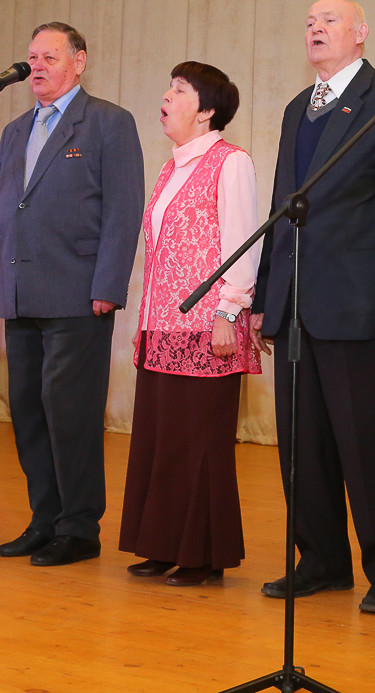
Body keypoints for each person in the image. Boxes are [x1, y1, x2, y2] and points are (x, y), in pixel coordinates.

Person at [250, 0, 375, 614]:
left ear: (361, 33)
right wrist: (266, 294)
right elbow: (282, 206)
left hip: (358, 305)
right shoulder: (295, 108)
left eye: (329, 21)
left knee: (367, 444)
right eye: (309, 22)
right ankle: (321, 560)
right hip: (295, 304)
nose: (316, 28)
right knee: (301, 445)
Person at [0, 22, 144, 567]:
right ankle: (44, 519)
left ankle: (78, 527)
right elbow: (1, 211)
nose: (37, 66)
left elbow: (123, 209)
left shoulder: (108, 122)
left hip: (78, 293)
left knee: (69, 412)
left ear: (79, 61)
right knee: (28, 410)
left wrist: (109, 285)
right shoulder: (14, 130)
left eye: (50, 57)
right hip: (19, 292)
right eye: (32, 57)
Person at [119, 62, 261, 586]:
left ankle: (202, 555)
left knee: (199, 442)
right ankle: (161, 545)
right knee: (162, 439)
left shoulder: (231, 161)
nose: (166, 96)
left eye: (179, 90)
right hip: (161, 327)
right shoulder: (169, 168)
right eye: (169, 87)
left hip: (208, 328)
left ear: (206, 111)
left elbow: (242, 243)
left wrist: (229, 311)